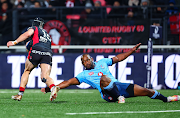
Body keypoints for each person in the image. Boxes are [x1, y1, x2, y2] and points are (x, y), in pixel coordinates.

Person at [41, 43, 180, 103]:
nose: (85, 63)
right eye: (83, 62)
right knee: (104, 79)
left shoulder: (102, 62)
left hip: (118, 86)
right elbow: (68, 82)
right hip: (107, 94)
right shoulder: (84, 75)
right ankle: (119, 98)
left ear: (91, 59)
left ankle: (166, 99)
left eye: (86, 60)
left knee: (146, 90)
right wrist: (50, 88)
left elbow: (119, 58)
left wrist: (132, 50)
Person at [7, 17, 59, 101]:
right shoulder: (47, 34)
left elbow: (27, 35)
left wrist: (14, 42)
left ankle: (20, 94)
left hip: (36, 50)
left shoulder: (34, 29)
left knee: (27, 71)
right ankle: (53, 87)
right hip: (48, 53)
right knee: (45, 76)